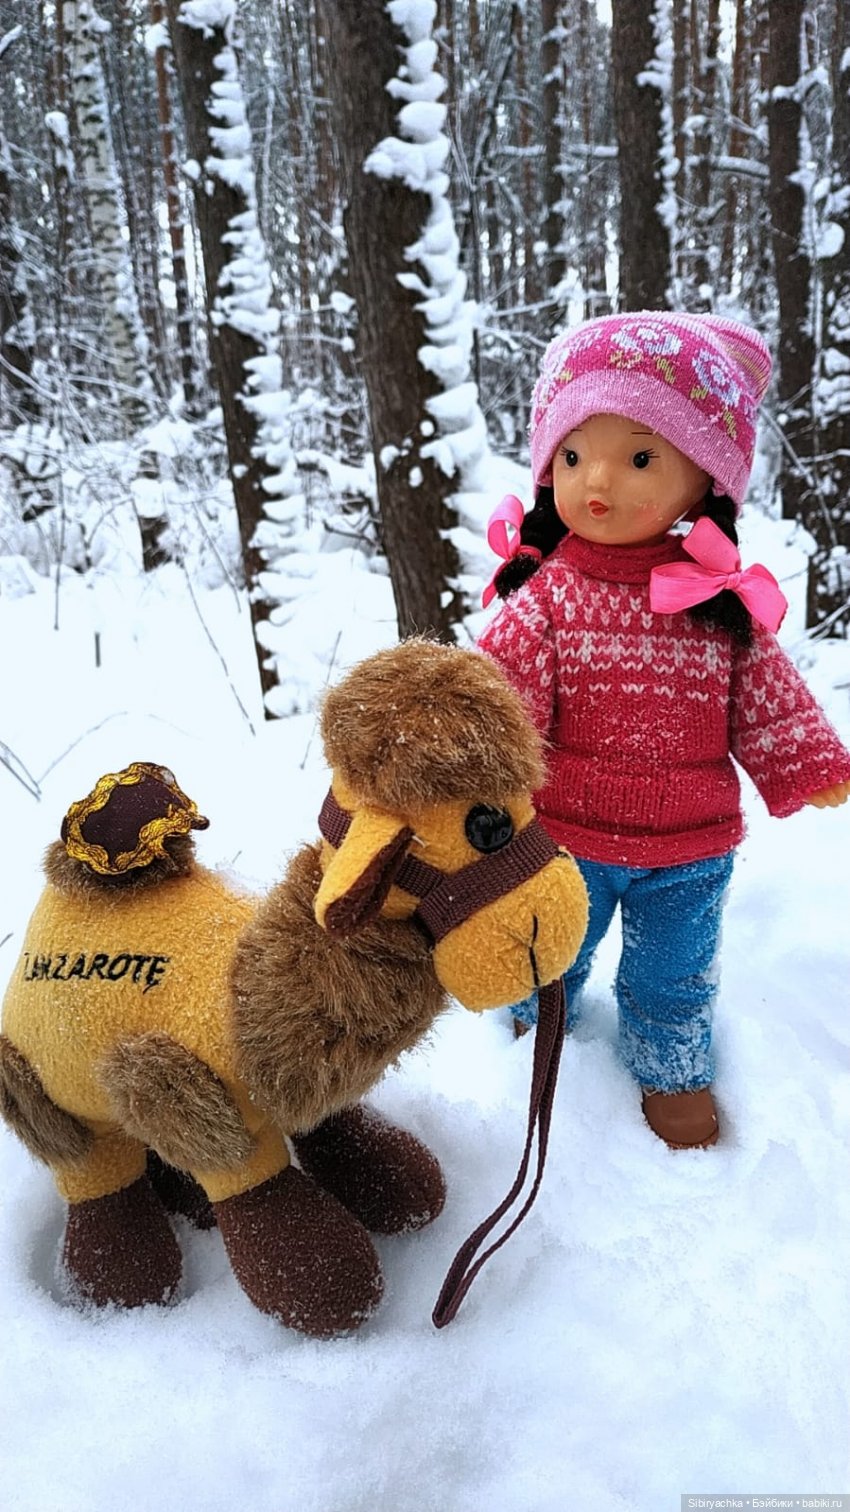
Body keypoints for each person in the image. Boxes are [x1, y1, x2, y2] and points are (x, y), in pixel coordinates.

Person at [477, 311, 850, 1150]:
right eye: (572, 457)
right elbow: (496, 703)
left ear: (704, 478)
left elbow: (768, 696)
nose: (597, 481)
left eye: (640, 457)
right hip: (561, 837)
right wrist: (471, 769)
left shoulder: (715, 605)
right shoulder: (549, 596)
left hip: (689, 846)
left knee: (673, 975)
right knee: (549, 957)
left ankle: (672, 1067)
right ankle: (528, 1047)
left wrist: (807, 760)